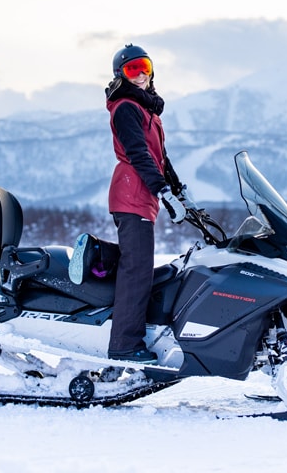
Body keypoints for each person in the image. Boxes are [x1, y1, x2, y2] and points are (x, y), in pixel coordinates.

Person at [70, 44, 191, 364]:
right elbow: (138, 154)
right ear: (121, 75)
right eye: (131, 69)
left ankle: (98, 253)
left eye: (144, 68)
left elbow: (160, 157)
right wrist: (162, 190)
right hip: (132, 192)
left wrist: (178, 190)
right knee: (137, 271)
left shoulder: (147, 110)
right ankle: (124, 344)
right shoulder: (126, 107)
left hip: (141, 195)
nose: (139, 76)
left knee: (135, 263)